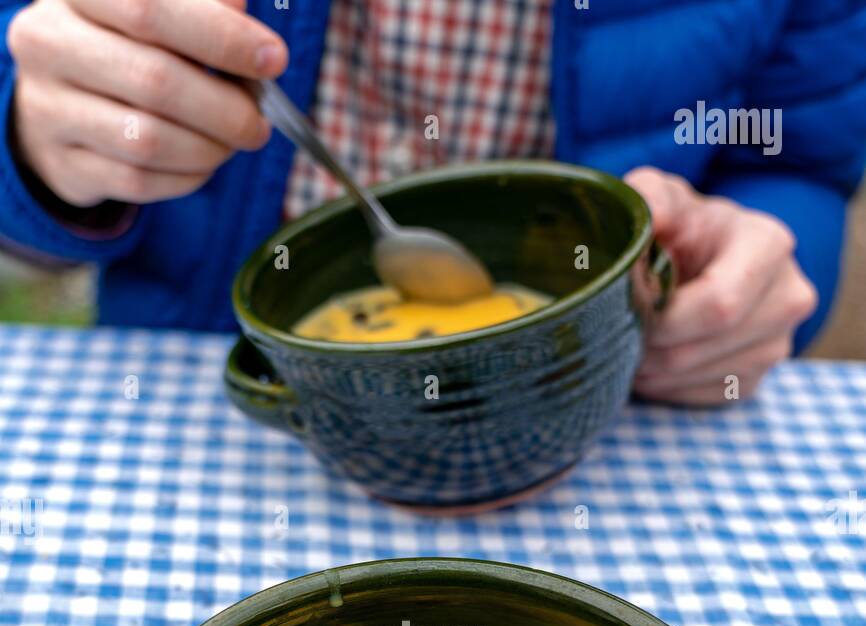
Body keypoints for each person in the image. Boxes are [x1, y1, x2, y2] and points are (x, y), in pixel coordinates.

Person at [1, 0, 864, 404]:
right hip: (208, 407)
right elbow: (27, 54)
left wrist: (761, 256)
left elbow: (800, 157)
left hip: (607, 418)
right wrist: (35, 145)